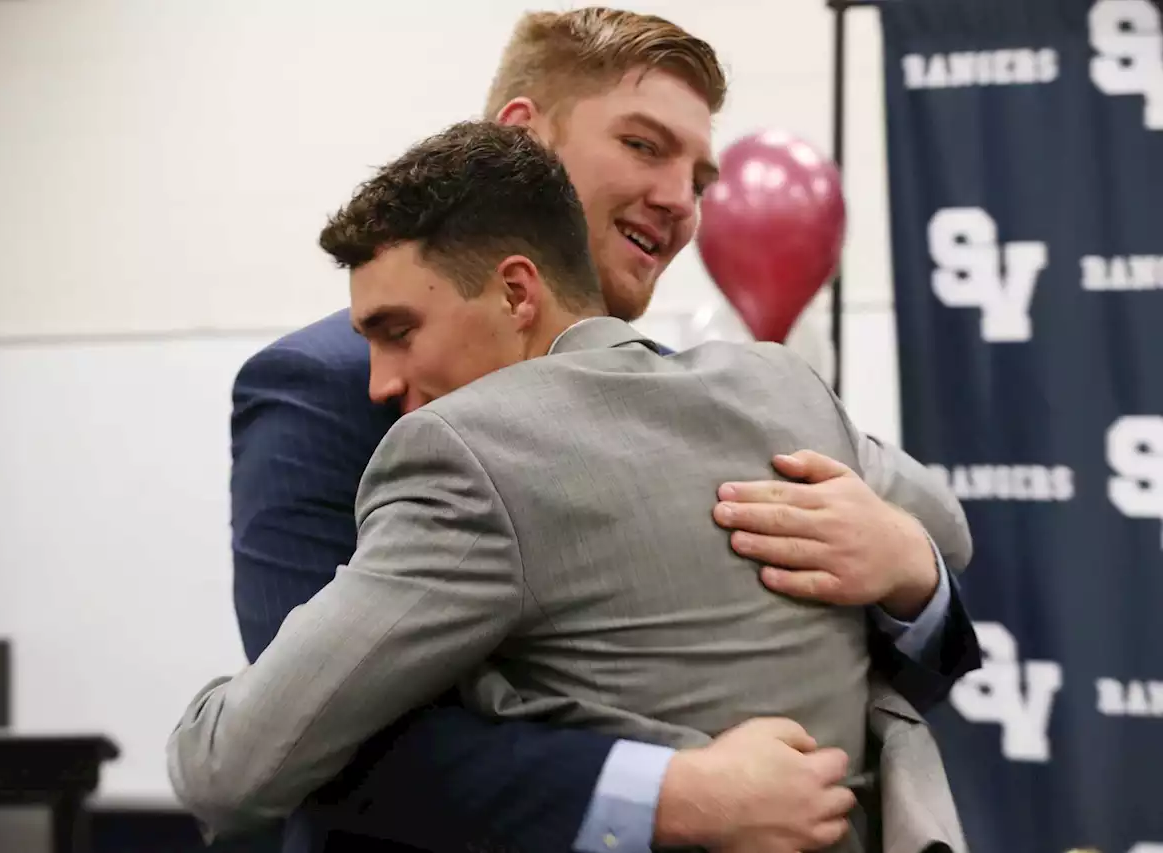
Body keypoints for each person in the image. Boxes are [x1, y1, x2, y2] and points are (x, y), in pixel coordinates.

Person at [224, 8, 977, 853]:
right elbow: (320, 735)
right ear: (526, 140)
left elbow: (879, 642)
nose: (680, 203)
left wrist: (911, 572)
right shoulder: (326, 384)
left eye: (700, 178)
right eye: (645, 146)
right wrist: (676, 795)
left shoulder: (725, 387)